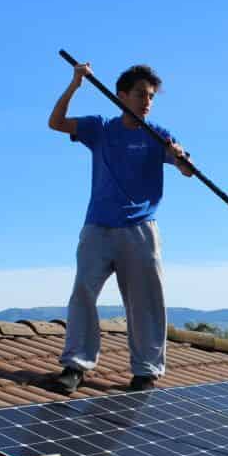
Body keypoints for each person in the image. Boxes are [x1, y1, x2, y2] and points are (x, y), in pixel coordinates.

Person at [47, 61, 194, 393]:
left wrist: (179, 155)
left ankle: (146, 371)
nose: (147, 101)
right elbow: (55, 122)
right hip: (97, 227)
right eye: (141, 94)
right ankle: (75, 366)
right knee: (83, 293)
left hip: (141, 230)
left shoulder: (159, 135)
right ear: (122, 95)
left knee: (145, 301)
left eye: (152, 96)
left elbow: (187, 170)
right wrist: (75, 85)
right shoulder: (100, 128)